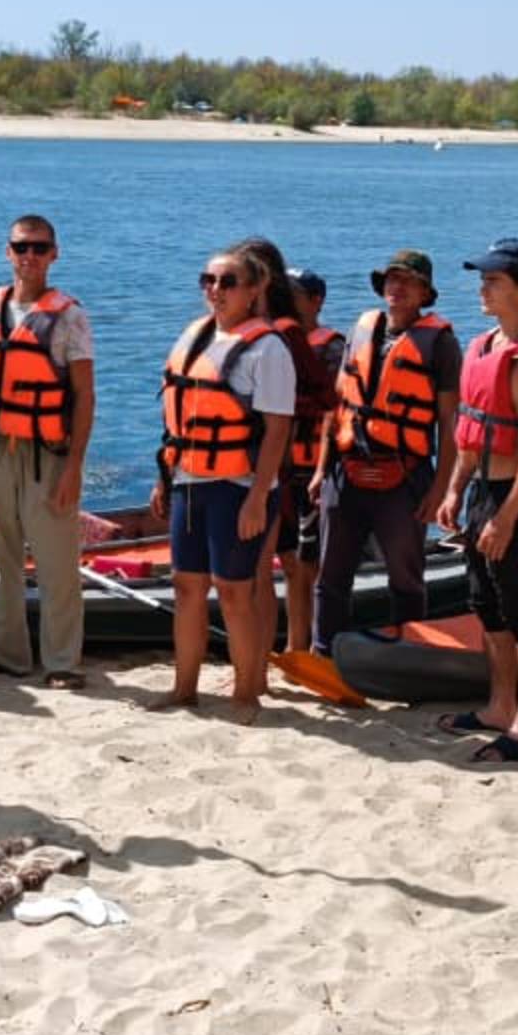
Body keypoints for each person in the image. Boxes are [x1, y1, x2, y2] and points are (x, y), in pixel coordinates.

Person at [434, 239, 518, 763]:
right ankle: (499, 705)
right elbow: (471, 429)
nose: (483, 288)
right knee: (486, 607)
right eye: (483, 278)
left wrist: (509, 516)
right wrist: (454, 488)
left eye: (494, 280)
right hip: (482, 492)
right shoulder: (484, 345)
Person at [150, 245, 296, 723]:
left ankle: (246, 694)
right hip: (188, 481)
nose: (216, 290)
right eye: (208, 280)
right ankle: (184, 689)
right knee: (186, 587)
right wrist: (164, 476)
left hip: (236, 485)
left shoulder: (267, 348)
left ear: (255, 290)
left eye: (228, 281)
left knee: (235, 592)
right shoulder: (195, 336)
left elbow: (277, 429)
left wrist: (258, 497)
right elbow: (178, 411)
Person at [0, 214, 96, 688]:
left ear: (54, 254)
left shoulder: (69, 316)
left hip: (46, 455)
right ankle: (8, 655)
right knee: (2, 558)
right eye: (21, 247)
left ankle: (62, 663)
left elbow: (85, 395)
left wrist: (74, 466)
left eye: (39, 247)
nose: (29, 256)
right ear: (7, 252)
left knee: (56, 564)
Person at [313, 249, 460, 652]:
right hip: (346, 472)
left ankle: (408, 656)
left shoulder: (441, 344)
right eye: (392, 280)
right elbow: (339, 404)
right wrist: (320, 469)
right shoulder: (362, 329)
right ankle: (324, 656)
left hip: (405, 476)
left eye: (408, 282)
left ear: (425, 292)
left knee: (406, 578)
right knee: (331, 576)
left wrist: (442, 490)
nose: (397, 288)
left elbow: (449, 425)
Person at [229, 238, 331, 663]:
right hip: (236, 463)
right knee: (258, 568)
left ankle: (290, 650)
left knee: (282, 565)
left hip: (282, 469)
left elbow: (325, 396)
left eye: (237, 276)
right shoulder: (233, 331)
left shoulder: (286, 333)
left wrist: (278, 410)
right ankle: (262, 653)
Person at [279, 269, 347, 655]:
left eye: (295, 294)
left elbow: (335, 413)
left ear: (316, 300)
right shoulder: (274, 343)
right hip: (279, 467)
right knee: (289, 562)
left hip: (311, 469)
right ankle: (294, 646)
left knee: (310, 565)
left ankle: (311, 647)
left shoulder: (332, 348)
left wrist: (324, 469)